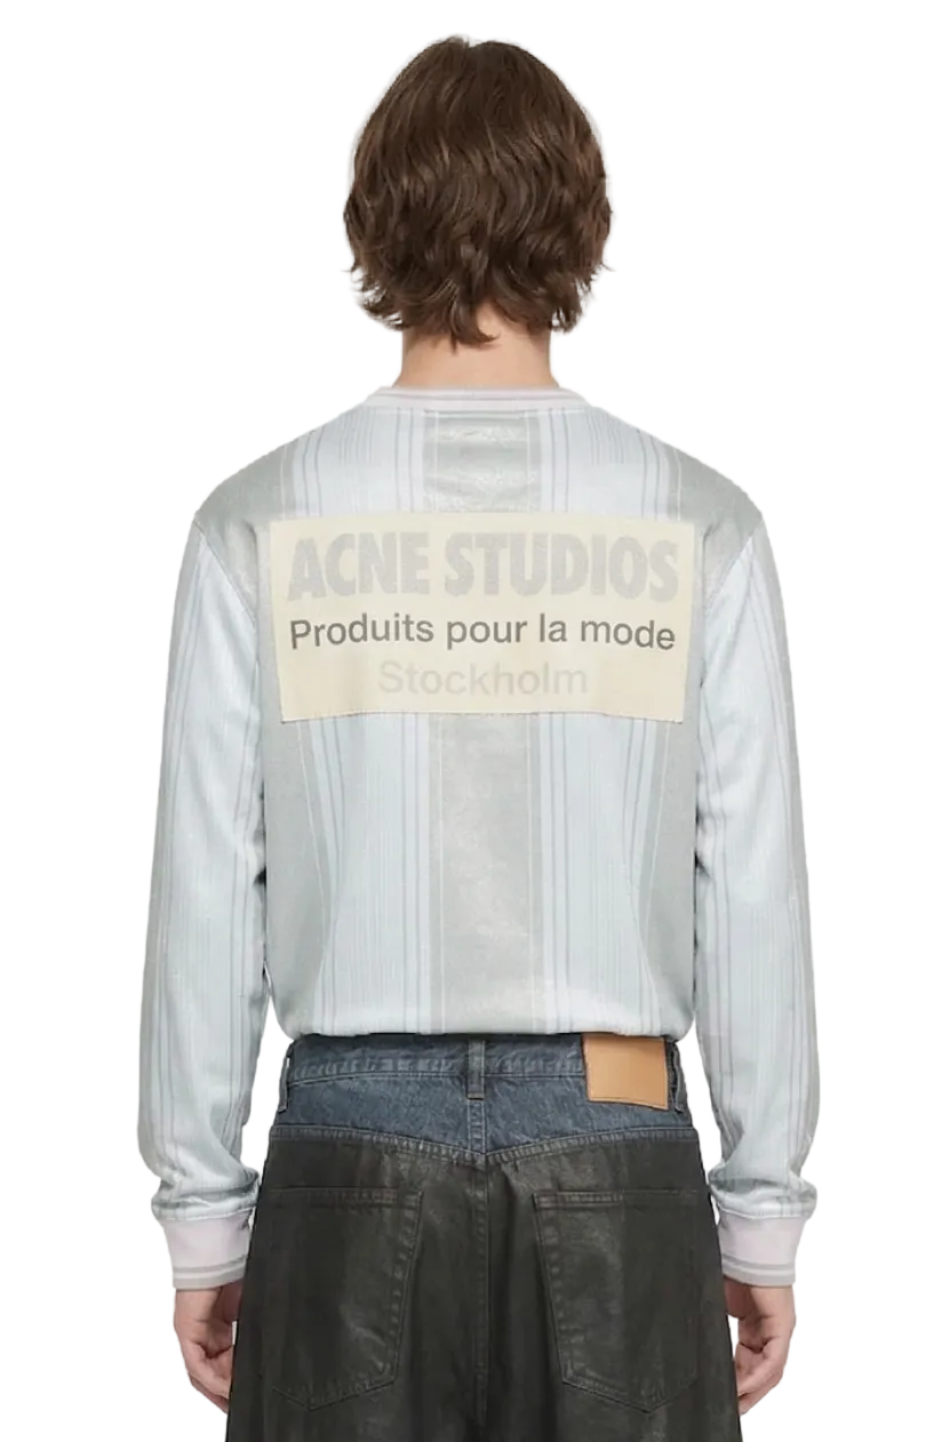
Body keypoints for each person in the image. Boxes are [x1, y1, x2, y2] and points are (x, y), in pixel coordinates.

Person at [137, 34, 819, 1441]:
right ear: (580, 223)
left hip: (345, 1156)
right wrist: (759, 1216)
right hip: (617, 1144)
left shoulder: (259, 522)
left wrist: (204, 1222)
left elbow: (209, 886)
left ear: (373, 217)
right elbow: (749, 887)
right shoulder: (697, 523)